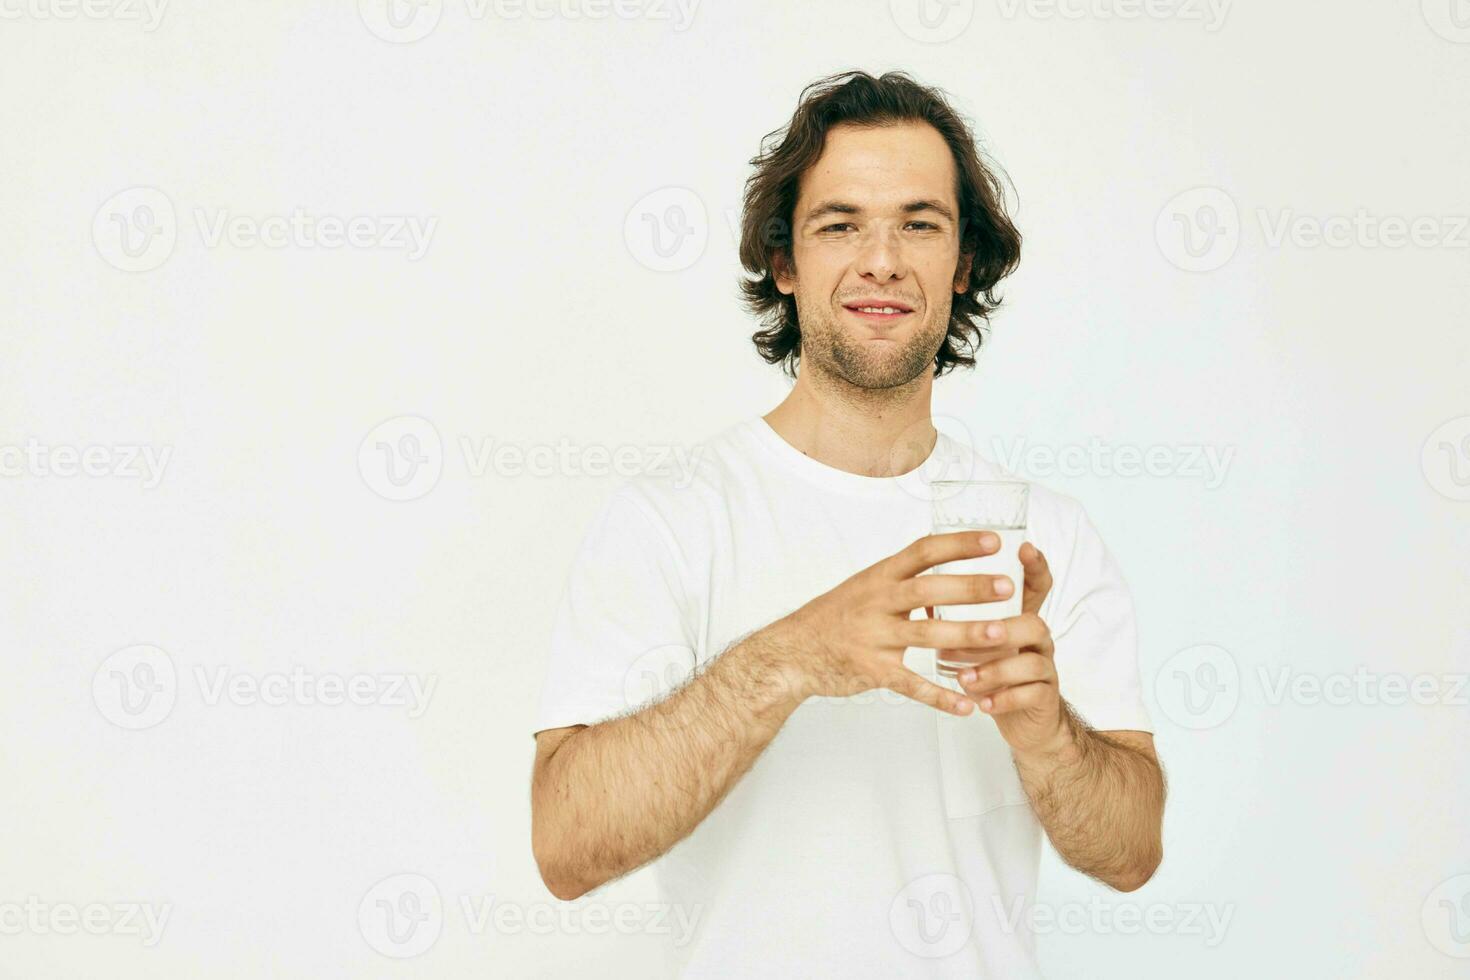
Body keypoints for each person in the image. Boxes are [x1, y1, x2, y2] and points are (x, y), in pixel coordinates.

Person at [530, 69, 1166, 977]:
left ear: (965, 261)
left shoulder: (1044, 537)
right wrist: (793, 656)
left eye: (920, 223)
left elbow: (1131, 851)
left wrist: (1047, 733)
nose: (882, 260)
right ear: (784, 263)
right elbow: (565, 845)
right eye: (840, 225)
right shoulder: (668, 522)